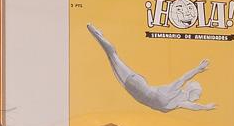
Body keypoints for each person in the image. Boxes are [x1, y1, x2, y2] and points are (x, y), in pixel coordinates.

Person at [86, 24, 217, 112]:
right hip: (137, 86)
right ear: (190, 90)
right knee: (113, 56)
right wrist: (197, 69)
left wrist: (206, 107)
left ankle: (100, 36)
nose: (198, 97)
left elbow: (194, 106)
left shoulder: (179, 102)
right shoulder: (176, 92)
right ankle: (97, 34)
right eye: (198, 93)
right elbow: (184, 78)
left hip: (136, 89)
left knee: (112, 57)